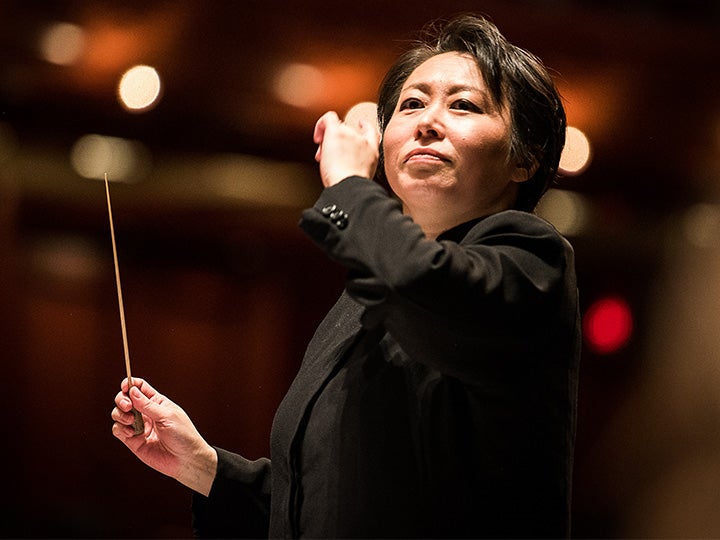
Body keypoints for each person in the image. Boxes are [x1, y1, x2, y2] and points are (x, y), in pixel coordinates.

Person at [112, 14, 580, 538]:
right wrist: (203, 467)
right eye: (411, 104)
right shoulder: (364, 297)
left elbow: (422, 282)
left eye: (463, 105)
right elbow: (333, 504)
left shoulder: (531, 259)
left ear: (525, 158)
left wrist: (348, 185)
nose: (427, 121)